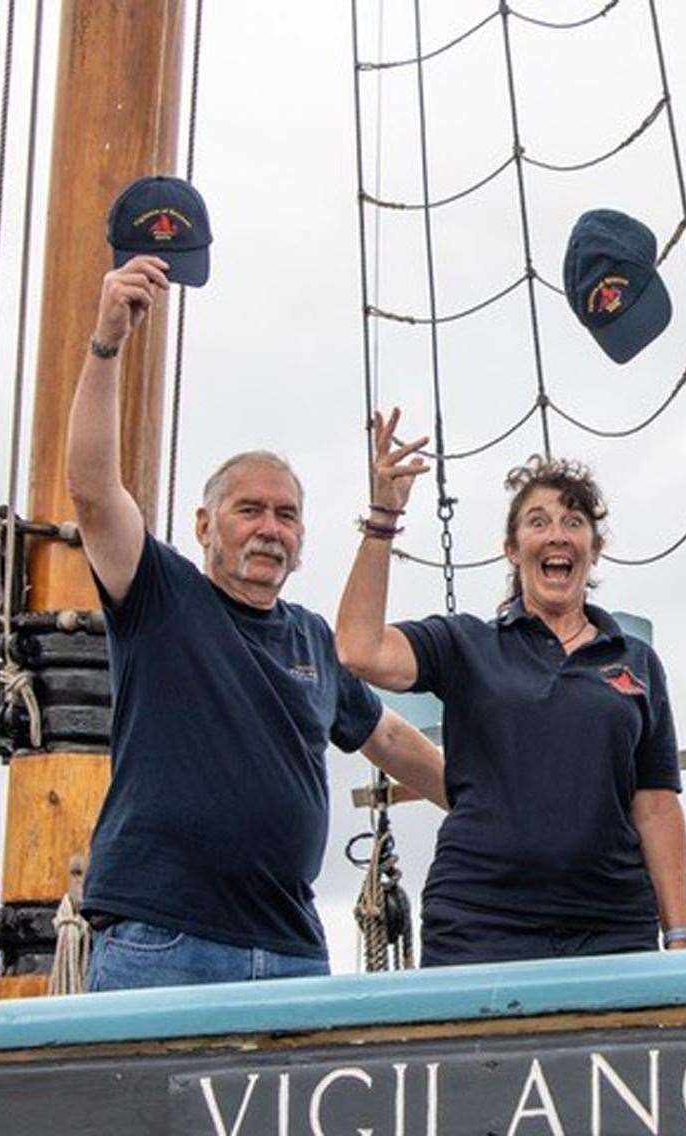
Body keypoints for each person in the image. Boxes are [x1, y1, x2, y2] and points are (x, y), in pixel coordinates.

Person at [67, 257, 446, 990]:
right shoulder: (160, 596)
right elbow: (89, 490)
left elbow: (392, 740)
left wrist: (507, 809)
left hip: (292, 952)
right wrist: (107, 341)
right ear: (206, 524)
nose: (270, 528)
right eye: (250, 510)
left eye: (287, 514)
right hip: (164, 947)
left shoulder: (312, 639)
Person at [335, 409, 686, 966]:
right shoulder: (466, 645)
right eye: (538, 521)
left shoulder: (636, 662)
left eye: (574, 522)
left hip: (611, 926)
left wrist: (680, 935)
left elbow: (655, 804)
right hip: (480, 922)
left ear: (594, 549)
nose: (557, 534)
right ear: (512, 548)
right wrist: (384, 517)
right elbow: (360, 650)